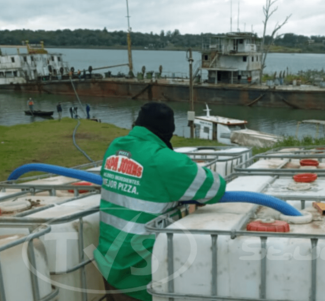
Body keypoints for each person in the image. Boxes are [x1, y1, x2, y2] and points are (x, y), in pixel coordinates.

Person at [94, 102, 227, 301]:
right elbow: (215, 187)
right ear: (168, 132)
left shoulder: (115, 147)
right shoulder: (165, 160)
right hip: (140, 273)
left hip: (108, 261)